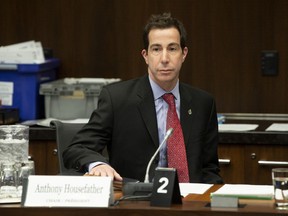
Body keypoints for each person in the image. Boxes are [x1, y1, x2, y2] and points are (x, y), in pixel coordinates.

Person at [63, 13, 223, 184]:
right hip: (135, 202)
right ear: (145, 55)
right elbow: (76, 148)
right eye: (156, 49)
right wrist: (97, 165)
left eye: (172, 48)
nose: (164, 59)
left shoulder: (203, 103)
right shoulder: (117, 99)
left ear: (184, 54)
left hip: (191, 202)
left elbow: (209, 169)